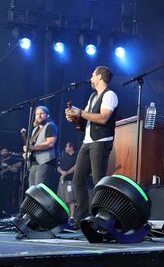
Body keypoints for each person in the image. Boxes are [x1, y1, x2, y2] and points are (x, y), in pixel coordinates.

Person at [65, 66, 118, 227]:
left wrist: (79, 113)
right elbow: (85, 118)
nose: (90, 78)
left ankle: (103, 216)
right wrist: (74, 117)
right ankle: (81, 217)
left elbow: (103, 118)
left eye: (92, 75)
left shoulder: (110, 95)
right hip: (87, 142)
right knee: (78, 180)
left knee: (98, 180)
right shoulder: (93, 96)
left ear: (100, 77)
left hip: (101, 141)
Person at [24, 106, 59, 187]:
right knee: (31, 190)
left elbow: (50, 143)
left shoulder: (50, 126)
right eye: (37, 114)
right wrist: (27, 150)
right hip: (34, 163)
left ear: (47, 115)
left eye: (41, 113)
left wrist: (32, 148)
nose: (39, 116)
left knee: (39, 190)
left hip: (45, 162)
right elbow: (32, 146)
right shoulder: (35, 129)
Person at [57, 142, 77, 223]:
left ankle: (72, 216)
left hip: (70, 181)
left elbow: (76, 167)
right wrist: (62, 172)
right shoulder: (63, 156)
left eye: (66, 146)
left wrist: (67, 173)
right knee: (62, 198)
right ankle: (64, 216)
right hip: (62, 180)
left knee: (70, 198)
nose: (65, 148)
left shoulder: (76, 157)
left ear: (71, 148)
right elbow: (58, 166)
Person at [0, 148, 22, 212]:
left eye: (5, 151)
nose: (4, 152)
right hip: (2, 180)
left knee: (8, 196)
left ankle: (9, 209)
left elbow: (15, 170)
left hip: (8, 181)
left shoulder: (12, 160)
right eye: (3, 151)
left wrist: (8, 166)